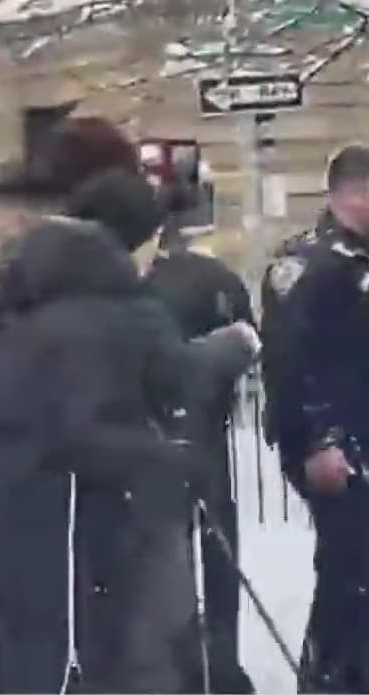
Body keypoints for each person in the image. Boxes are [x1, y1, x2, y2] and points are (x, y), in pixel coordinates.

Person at [0, 142, 258, 692]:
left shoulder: (27, 305)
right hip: (94, 534)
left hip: (20, 527)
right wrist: (173, 459)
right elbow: (89, 428)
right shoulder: (114, 309)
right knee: (122, 659)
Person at [263, 145, 369, 693]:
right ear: (351, 193)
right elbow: (288, 358)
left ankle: (350, 676)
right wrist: (317, 439)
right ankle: (329, 679)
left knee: (367, 568)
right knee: (364, 564)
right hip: (337, 441)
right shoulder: (309, 263)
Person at [141, 193, 256, 695]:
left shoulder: (202, 278)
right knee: (191, 556)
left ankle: (211, 662)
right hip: (176, 438)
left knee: (198, 554)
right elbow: (248, 338)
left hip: (186, 436)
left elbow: (246, 337)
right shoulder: (205, 278)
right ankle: (209, 662)